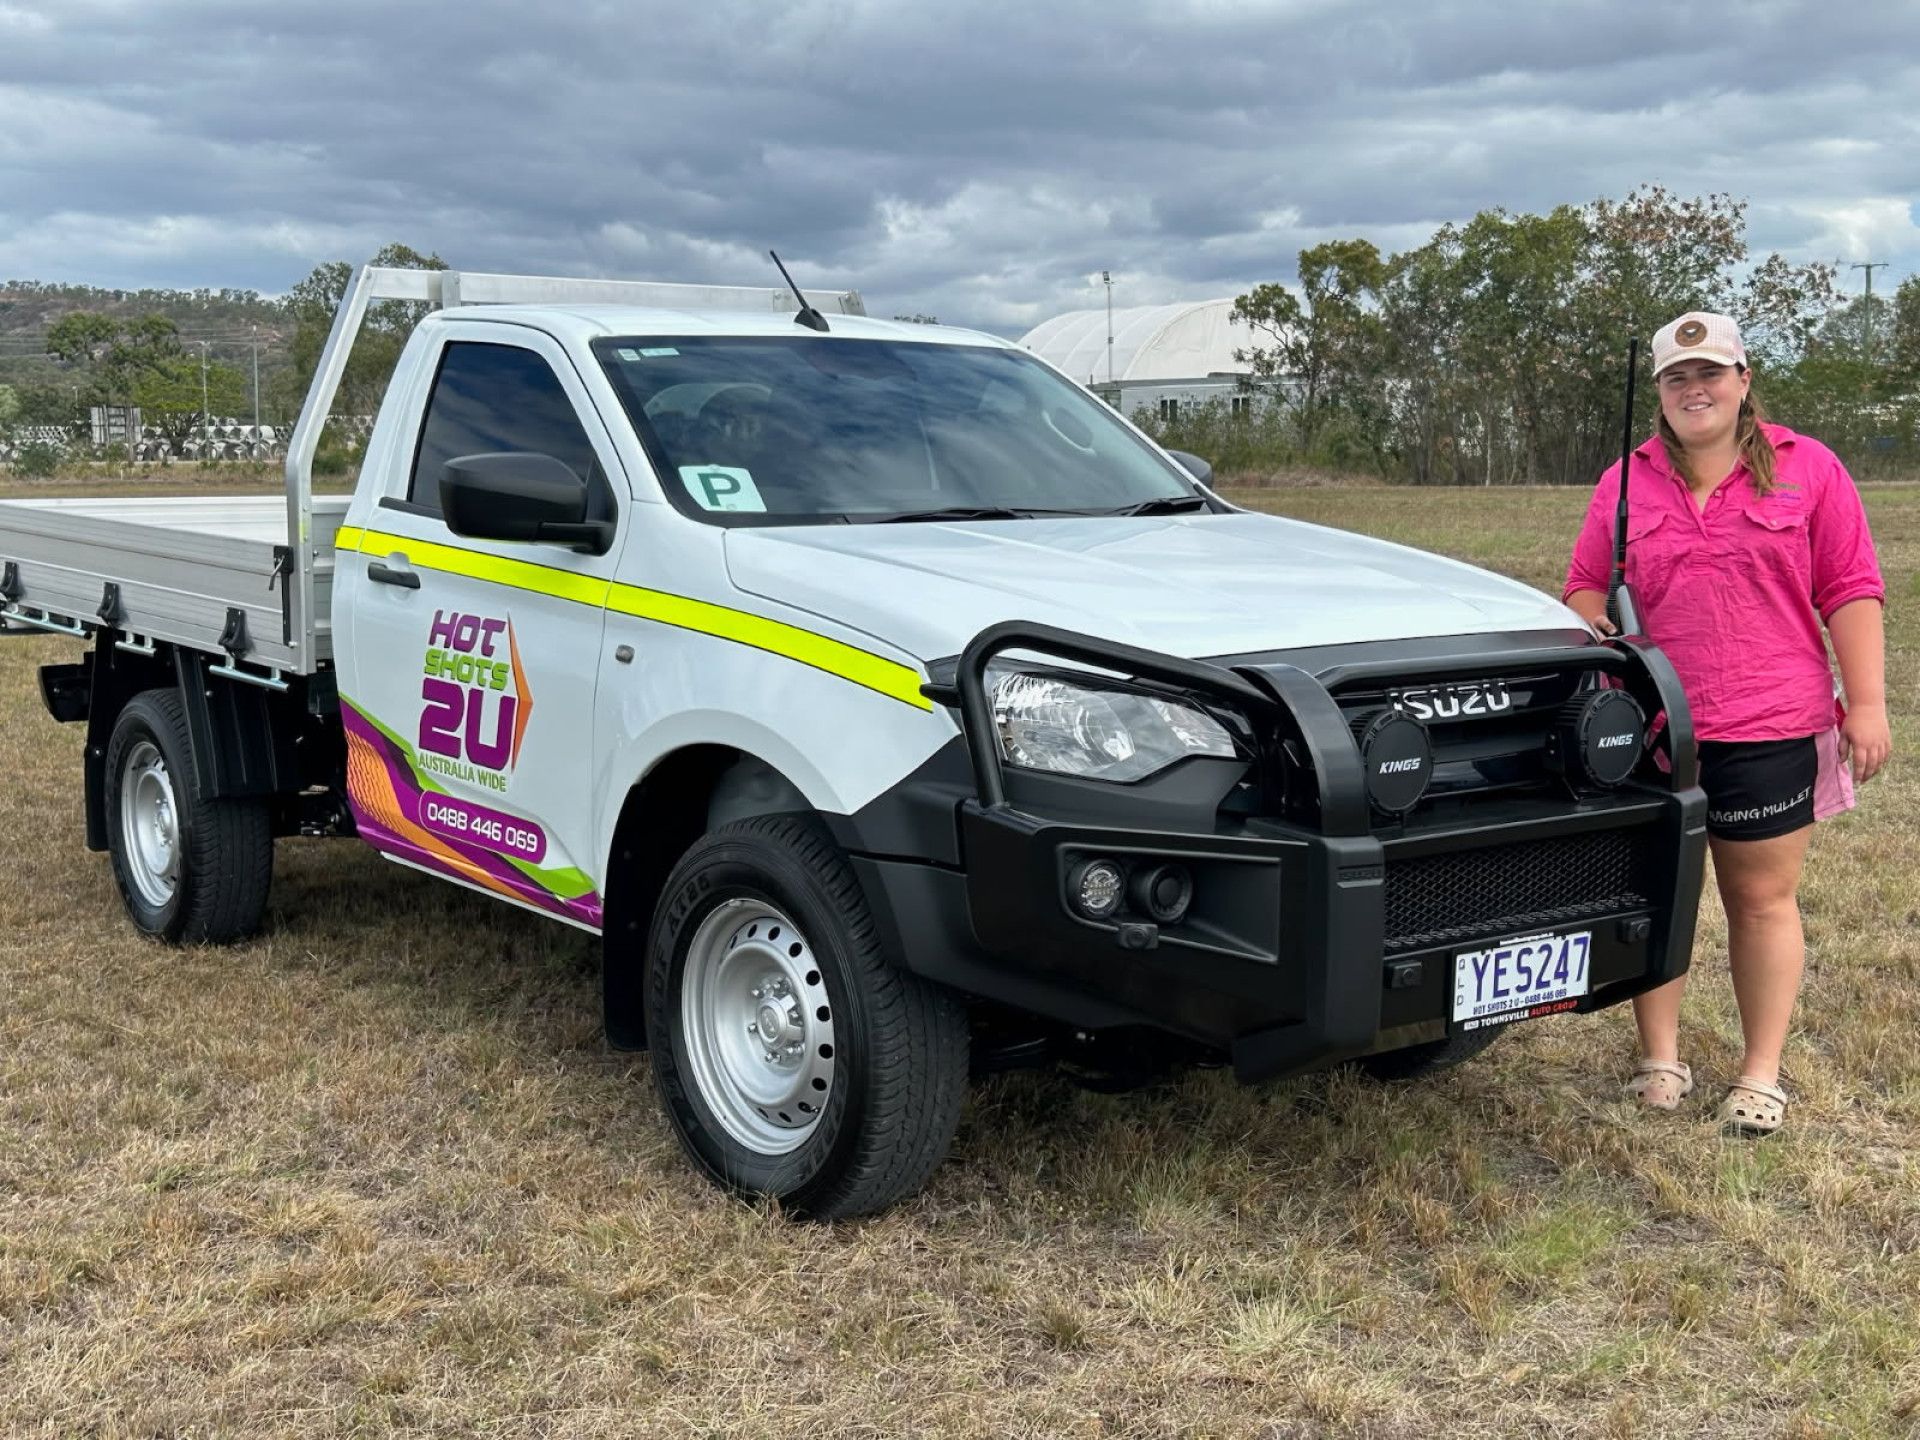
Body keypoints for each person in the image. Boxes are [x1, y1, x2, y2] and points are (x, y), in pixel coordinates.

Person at [1563, 310, 1890, 1136]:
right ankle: (1659, 1059)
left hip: (1772, 722)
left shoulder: (1808, 469)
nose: (1694, 389)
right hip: (1650, 731)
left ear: (1744, 382)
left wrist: (1871, 701)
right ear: (1661, 397)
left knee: (1762, 900)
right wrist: (1598, 621)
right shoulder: (1624, 482)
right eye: (1677, 378)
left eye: (1710, 373)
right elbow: (1581, 584)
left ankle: (1760, 1074)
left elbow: (1849, 587)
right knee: (1660, 894)